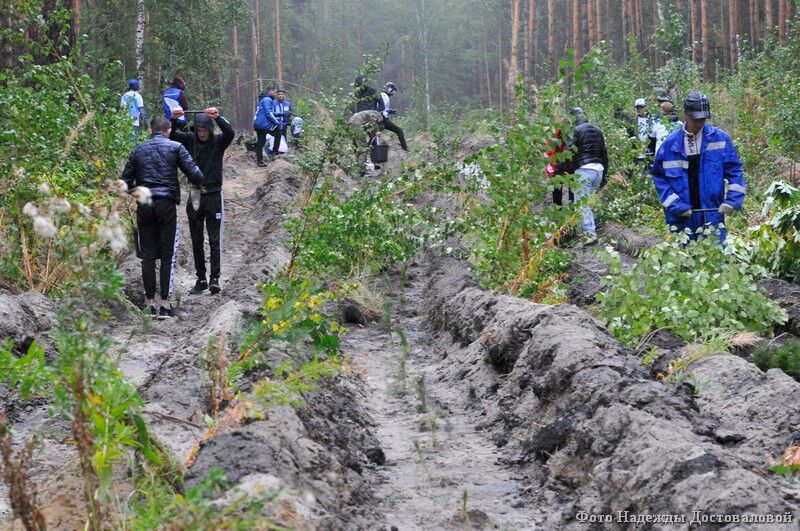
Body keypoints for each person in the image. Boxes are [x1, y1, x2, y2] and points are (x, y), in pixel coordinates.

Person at [121, 116, 204, 318]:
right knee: (167, 255)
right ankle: (165, 305)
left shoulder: (138, 150)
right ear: (168, 130)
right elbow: (196, 175)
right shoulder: (176, 147)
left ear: (150, 129)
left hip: (145, 205)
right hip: (166, 205)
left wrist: (138, 192)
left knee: (147, 257)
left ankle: (149, 304)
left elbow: (124, 182)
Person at [651, 91, 745, 243]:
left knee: (715, 260)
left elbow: (735, 171)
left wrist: (733, 201)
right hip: (682, 219)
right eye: (695, 119)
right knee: (684, 262)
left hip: (712, 215)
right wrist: (676, 205)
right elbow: (659, 177)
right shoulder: (670, 145)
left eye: (703, 119)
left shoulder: (720, 139)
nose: (699, 123)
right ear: (685, 114)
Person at [169, 107, 234, 295]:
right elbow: (172, 136)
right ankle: (201, 278)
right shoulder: (190, 140)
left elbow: (230, 133)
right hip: (195, 193)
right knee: (196, 239)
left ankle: (215, 278)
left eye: (205, 130)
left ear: (210, 129)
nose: (203, 134)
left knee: (214, 239)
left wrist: (218, 117)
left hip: (214, 194)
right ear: (196, 129)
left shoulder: (219, 141)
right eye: (199, 130)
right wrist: (174, 119)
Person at [564, 107, 609, 247]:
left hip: (584, 170)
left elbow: (570, 150)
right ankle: (586, 230)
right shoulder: (597, 130)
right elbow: (604, 153)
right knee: (587, 203)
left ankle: (590, 233)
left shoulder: (577, 131)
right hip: (598, 170)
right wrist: (604, 175)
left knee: (581, 204)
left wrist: (562, 166)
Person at [378, 82, 409, 152]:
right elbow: (380, 110)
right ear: (390, 89)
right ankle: (405, 149)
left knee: (374, 136)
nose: (394, 93)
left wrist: (390, 111)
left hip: (380, 119)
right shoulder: (385, 96)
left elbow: (383, 108)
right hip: (382, 119)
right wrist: (381, 122)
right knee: (399, 131)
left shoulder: (383, 95)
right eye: (393, 90)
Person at [253, 88, 280, 166]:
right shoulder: (267, 99)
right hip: (264, 124)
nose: (276, 94)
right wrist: (276, 123)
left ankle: (259, 161)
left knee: (261, 142)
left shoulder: (263, 99)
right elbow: (268, 113)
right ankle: (275, 153)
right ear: (270, 91)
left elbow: (266, 112)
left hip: (258, 124)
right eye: (275, 92)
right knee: (278, 133)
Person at [272, 89, 292, 154]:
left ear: (284, 95)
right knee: (276, 139)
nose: (280, 96)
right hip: (276, 125)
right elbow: (271, 113)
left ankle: (284, 152)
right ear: (277, 95)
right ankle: (275, 152)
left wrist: (289, 120)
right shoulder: (273, 103)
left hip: (284, 124)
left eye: (282, 94)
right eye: (279, 94)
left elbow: (290, 113)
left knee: (284, 138)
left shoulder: (288, 103)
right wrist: (281, 114)